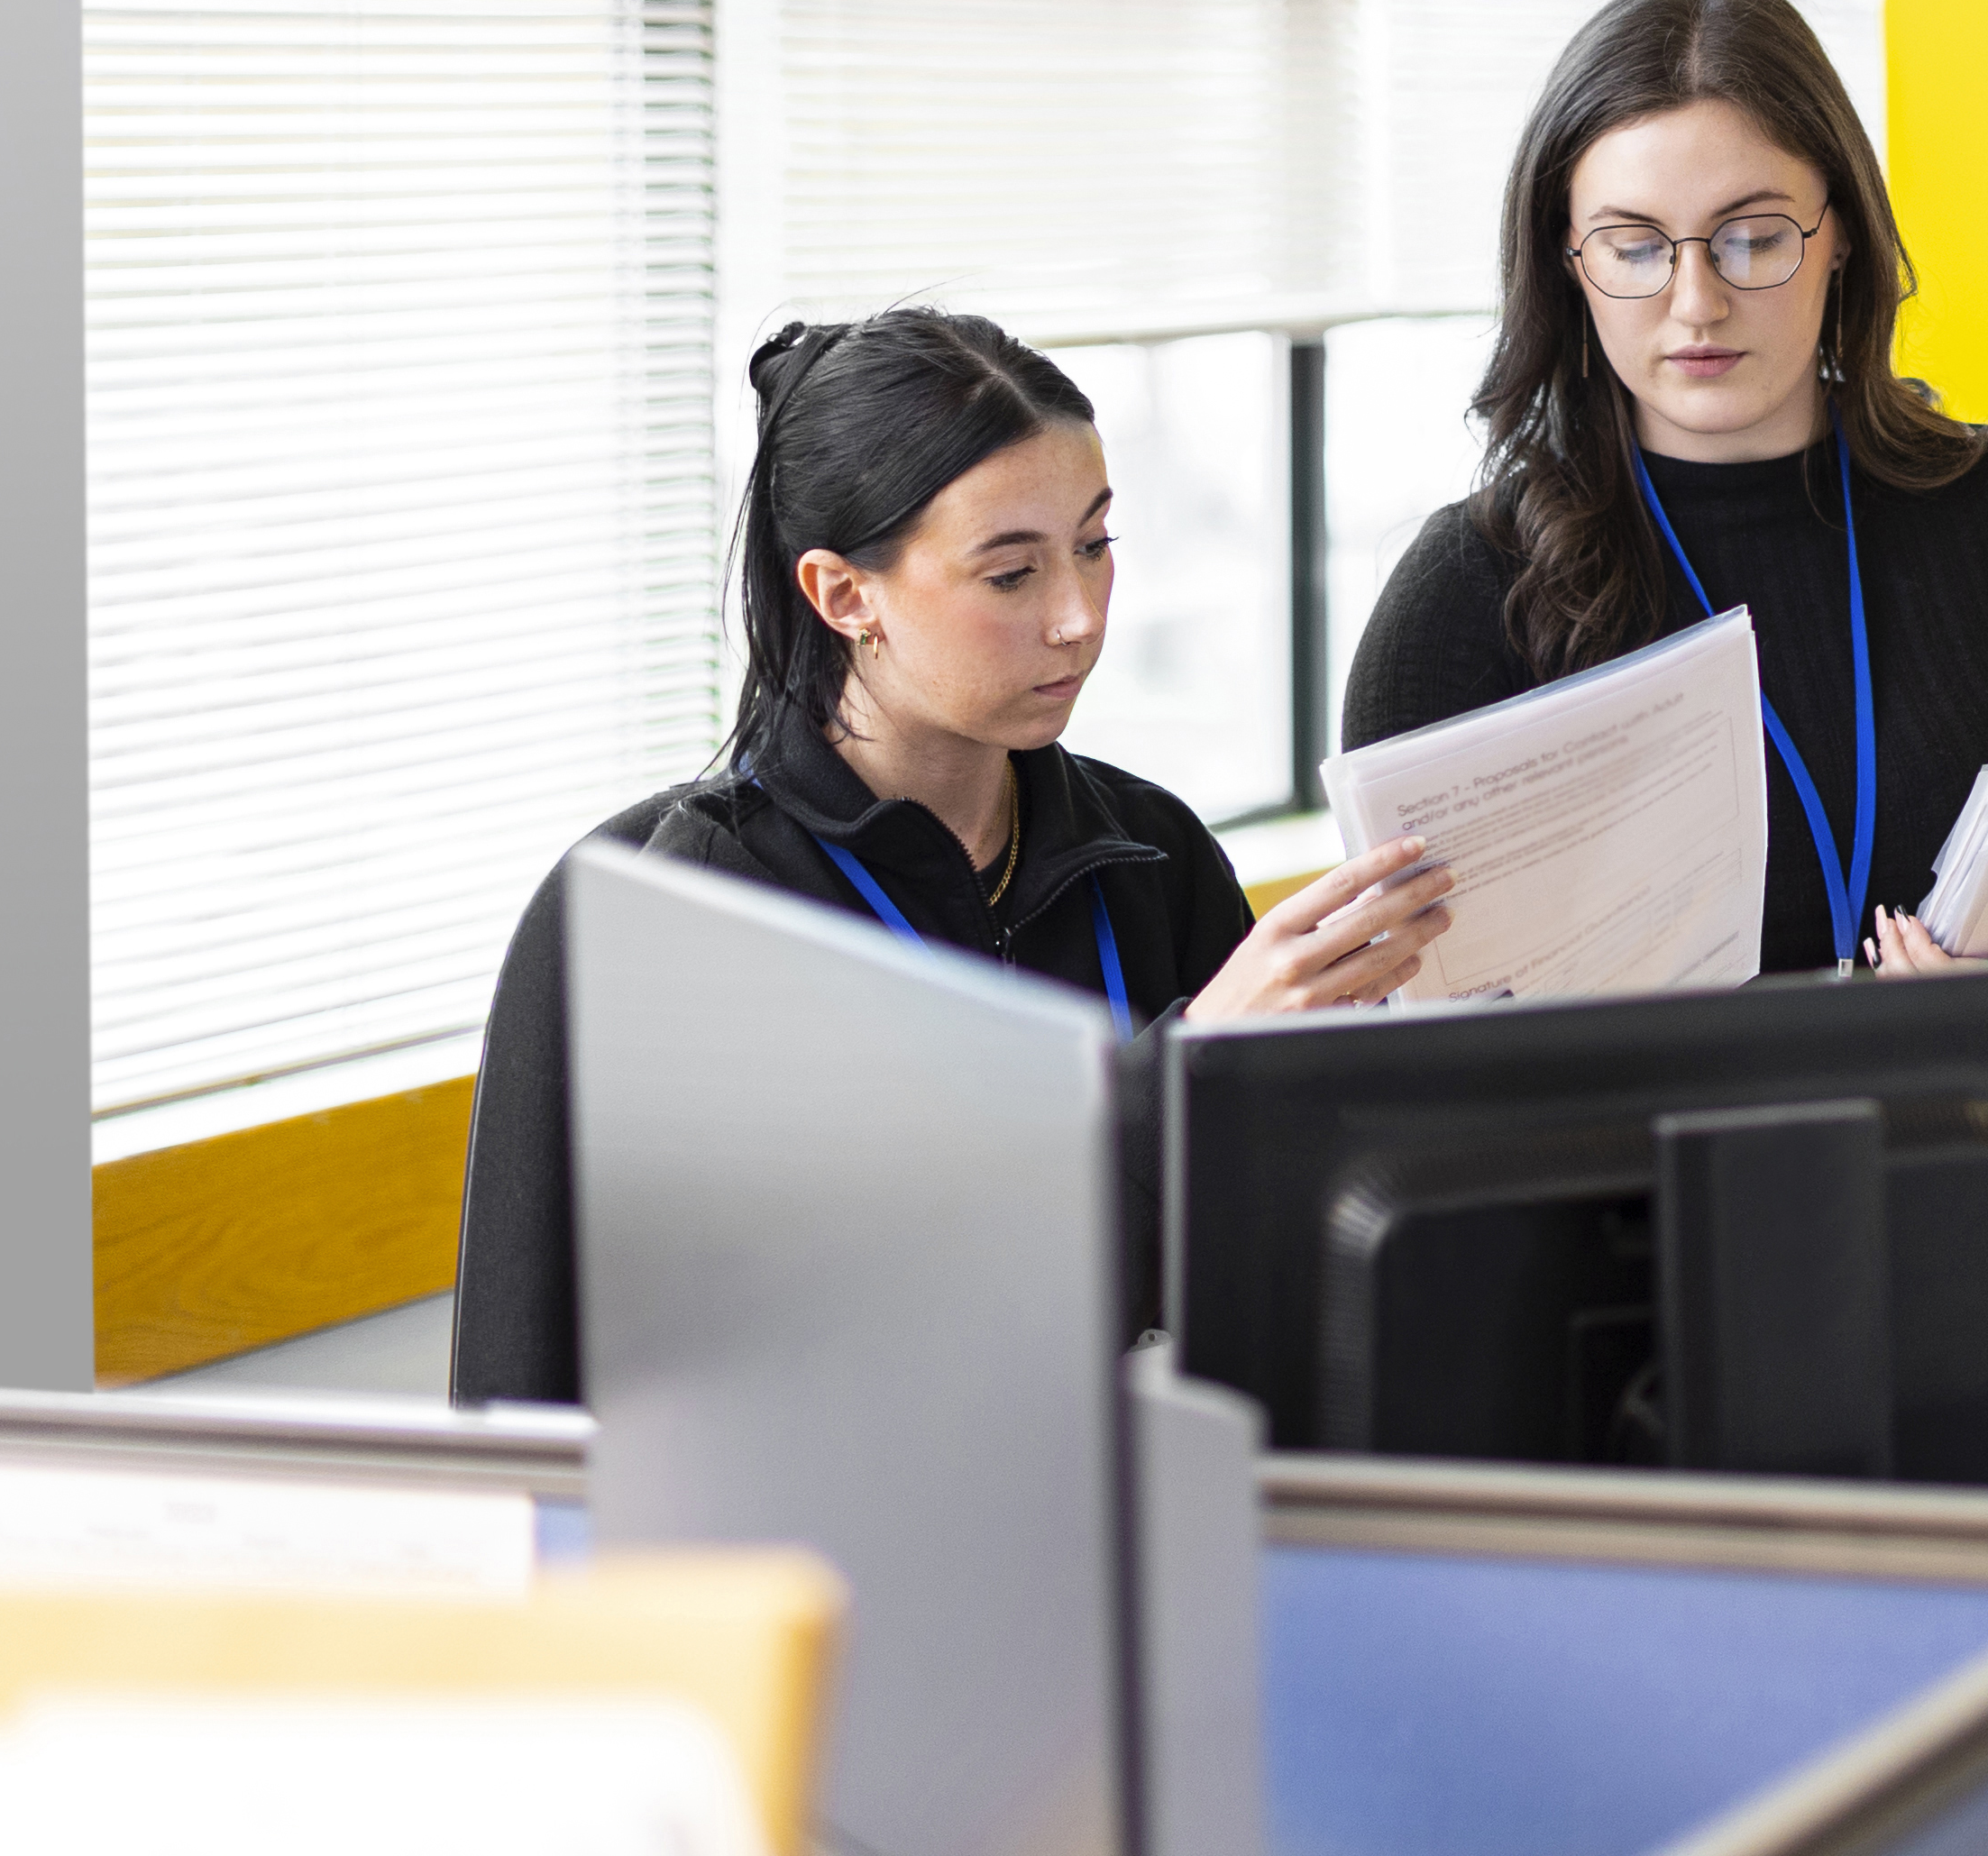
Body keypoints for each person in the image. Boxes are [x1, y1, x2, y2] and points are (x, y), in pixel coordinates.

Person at [449, 307, 1454, 1403]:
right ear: (845, 596)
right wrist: (1190, 1073)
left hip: (1151, 1493)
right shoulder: (671, 912)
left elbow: (1276, 1294)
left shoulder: (1151, 858)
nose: (1078, 618)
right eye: (1011, 574)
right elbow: (845, 1341)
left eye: (1094, 546)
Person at [1345, 0, 1988, 1093]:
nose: (1696, 301)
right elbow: (1379, 1023)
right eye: (1635, 247)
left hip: (1973, 1177)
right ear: (1567, 261)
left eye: (1752, 238)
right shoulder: (1468, 591)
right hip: (1622, 1202)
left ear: (1841, 237)